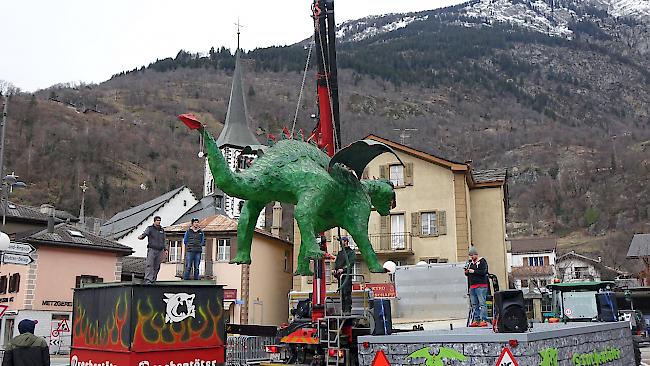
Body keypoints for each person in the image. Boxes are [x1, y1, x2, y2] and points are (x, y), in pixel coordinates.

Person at [465, 245, 490, 327]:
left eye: (473, 255)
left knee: (482, 303)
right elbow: (469, 275)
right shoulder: (470, 263)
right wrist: (467, 272)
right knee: (474, 304)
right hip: (472, 286)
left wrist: (473, 271)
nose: (472, 257)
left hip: (481, 286)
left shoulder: (482, 261)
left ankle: (484, 319)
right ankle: (476, 320)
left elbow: (484, 272)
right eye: (470, 255)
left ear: (476, 254)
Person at [138, 216, 167, 284]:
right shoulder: (150, 228)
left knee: (157, 266)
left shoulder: (162, 230)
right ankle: (148, 279)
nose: (159, 222)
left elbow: (164, 240)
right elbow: (145, 234)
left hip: (160, 250)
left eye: (159, 220)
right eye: (157, 220)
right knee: (150, 264)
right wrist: (141, 237)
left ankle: (154, 279)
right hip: (152, 249)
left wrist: (165, 249)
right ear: (154, 221)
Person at [334, 236, 356, 315]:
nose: (340, 243)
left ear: (346, 242)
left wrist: (343, 270)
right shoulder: (340, 253)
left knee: (347, 293)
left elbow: (350, 264)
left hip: (346, 277)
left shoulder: (351, 252)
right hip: (340, 277)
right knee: (342, 294)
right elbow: (336, 263)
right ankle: (343, 310)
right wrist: (335, 270)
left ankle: (348, 310)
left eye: (342, 241)